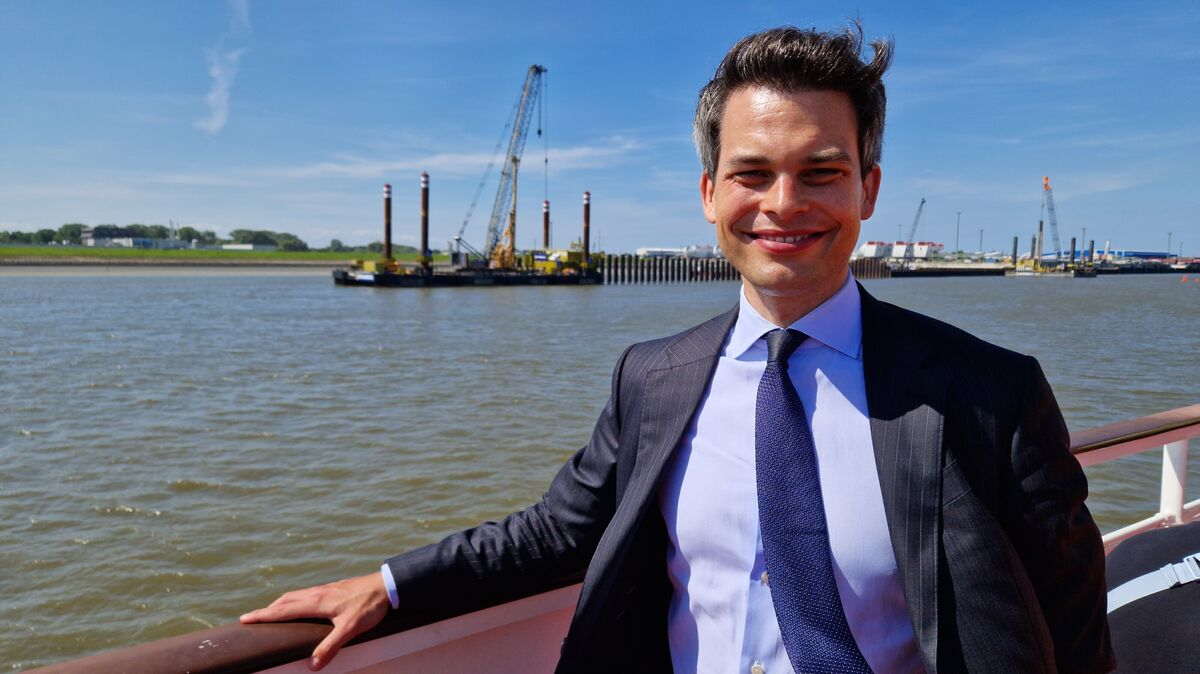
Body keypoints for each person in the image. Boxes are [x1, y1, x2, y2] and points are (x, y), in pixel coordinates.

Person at [242, 24, 1115, 673]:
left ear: (868, 188)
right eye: (751, 174)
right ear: (708, 193)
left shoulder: (988, 393)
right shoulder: (652, 376)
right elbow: (557, 529)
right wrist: (391, 584)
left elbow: (1073, 623)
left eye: (821, 172)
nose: (783, 203)